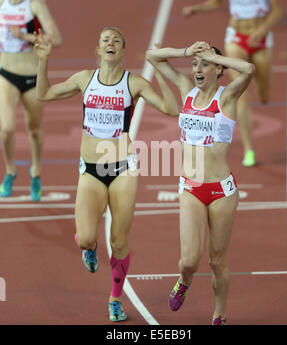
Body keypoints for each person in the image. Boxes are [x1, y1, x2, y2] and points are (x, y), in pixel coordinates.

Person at [34, 26, 179, 322]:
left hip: (123, 168)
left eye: (116, 40)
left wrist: (160, 70)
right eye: (105, 40)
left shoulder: (133, 83)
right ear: (98, 51)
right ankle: (88, 247)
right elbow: (43, 93)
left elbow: (171, 108)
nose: (110, 43)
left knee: (120, 242)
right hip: (90, 170)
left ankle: (115, 298)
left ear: (123, 51)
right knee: (87, 238)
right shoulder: (84, 79)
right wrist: (43, 60)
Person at [146, 41, 255, 324]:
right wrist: (185, 52)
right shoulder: (186, 89)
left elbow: (248, 69)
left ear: (218, 69)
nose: (198, 69)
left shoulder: (228, 95)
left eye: (205, 64)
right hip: (192, 188)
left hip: (222, 190)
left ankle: (220, 313)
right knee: (189, 262)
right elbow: (153, 57)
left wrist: (216, 57)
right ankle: (183, 281)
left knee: (217, 261)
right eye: (196, 64)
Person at [182, 0, 283, 167]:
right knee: (242, 96)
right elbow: (216, 3)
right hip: (236, 38)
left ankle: (262, 90)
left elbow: (277, 11)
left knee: (264, 95)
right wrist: (195, 8)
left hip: (261, 39)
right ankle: (249, 149)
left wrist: (260, 31)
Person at [0, 0, 62, 201]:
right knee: (7, 128)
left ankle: (35, 173)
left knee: (34, 130)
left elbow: (56, 39)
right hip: (6, 74)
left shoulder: (34, 5)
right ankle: (10, 171)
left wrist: (25, 36)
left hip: (32, 78)